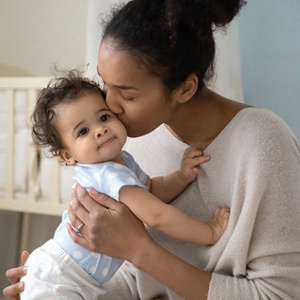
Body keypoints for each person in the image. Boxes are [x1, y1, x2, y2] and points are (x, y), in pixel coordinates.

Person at [4, 0, 300, 299]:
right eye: (105, 85)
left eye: (127, 94)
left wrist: (139, 250)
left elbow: (280, 294)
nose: (109, 106)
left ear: (184, 88)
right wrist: (64, 283)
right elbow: (136, 278)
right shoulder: (129, 137)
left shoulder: (263, 142)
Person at [15, 70, 229, 299]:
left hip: (68, 277)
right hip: (60, 277)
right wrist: (209, 232)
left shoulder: (123, 161)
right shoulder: (108, 174)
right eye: (83, 131)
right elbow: (157, 216)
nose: (100, 130)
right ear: (67, 155)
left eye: (104, 117)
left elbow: (153, 191)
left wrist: (181, 176)